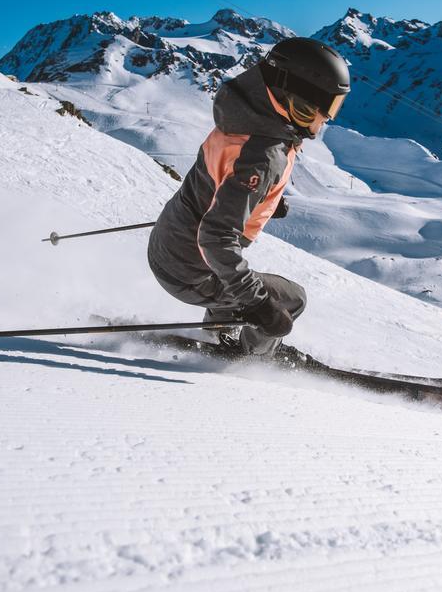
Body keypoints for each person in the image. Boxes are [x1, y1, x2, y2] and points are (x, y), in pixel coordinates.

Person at [147, 37, 350, 356]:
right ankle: (253, 359)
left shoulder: (244, 115)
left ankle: (219, 334)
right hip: (190, 270)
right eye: (321, 108)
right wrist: (260, 306)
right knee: (290, 300)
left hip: (169, 245)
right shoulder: (262, 154)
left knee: (245, 280)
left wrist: (261, 199)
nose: (326, 119)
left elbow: (220, 176)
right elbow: (215, 237)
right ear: (295, 98)